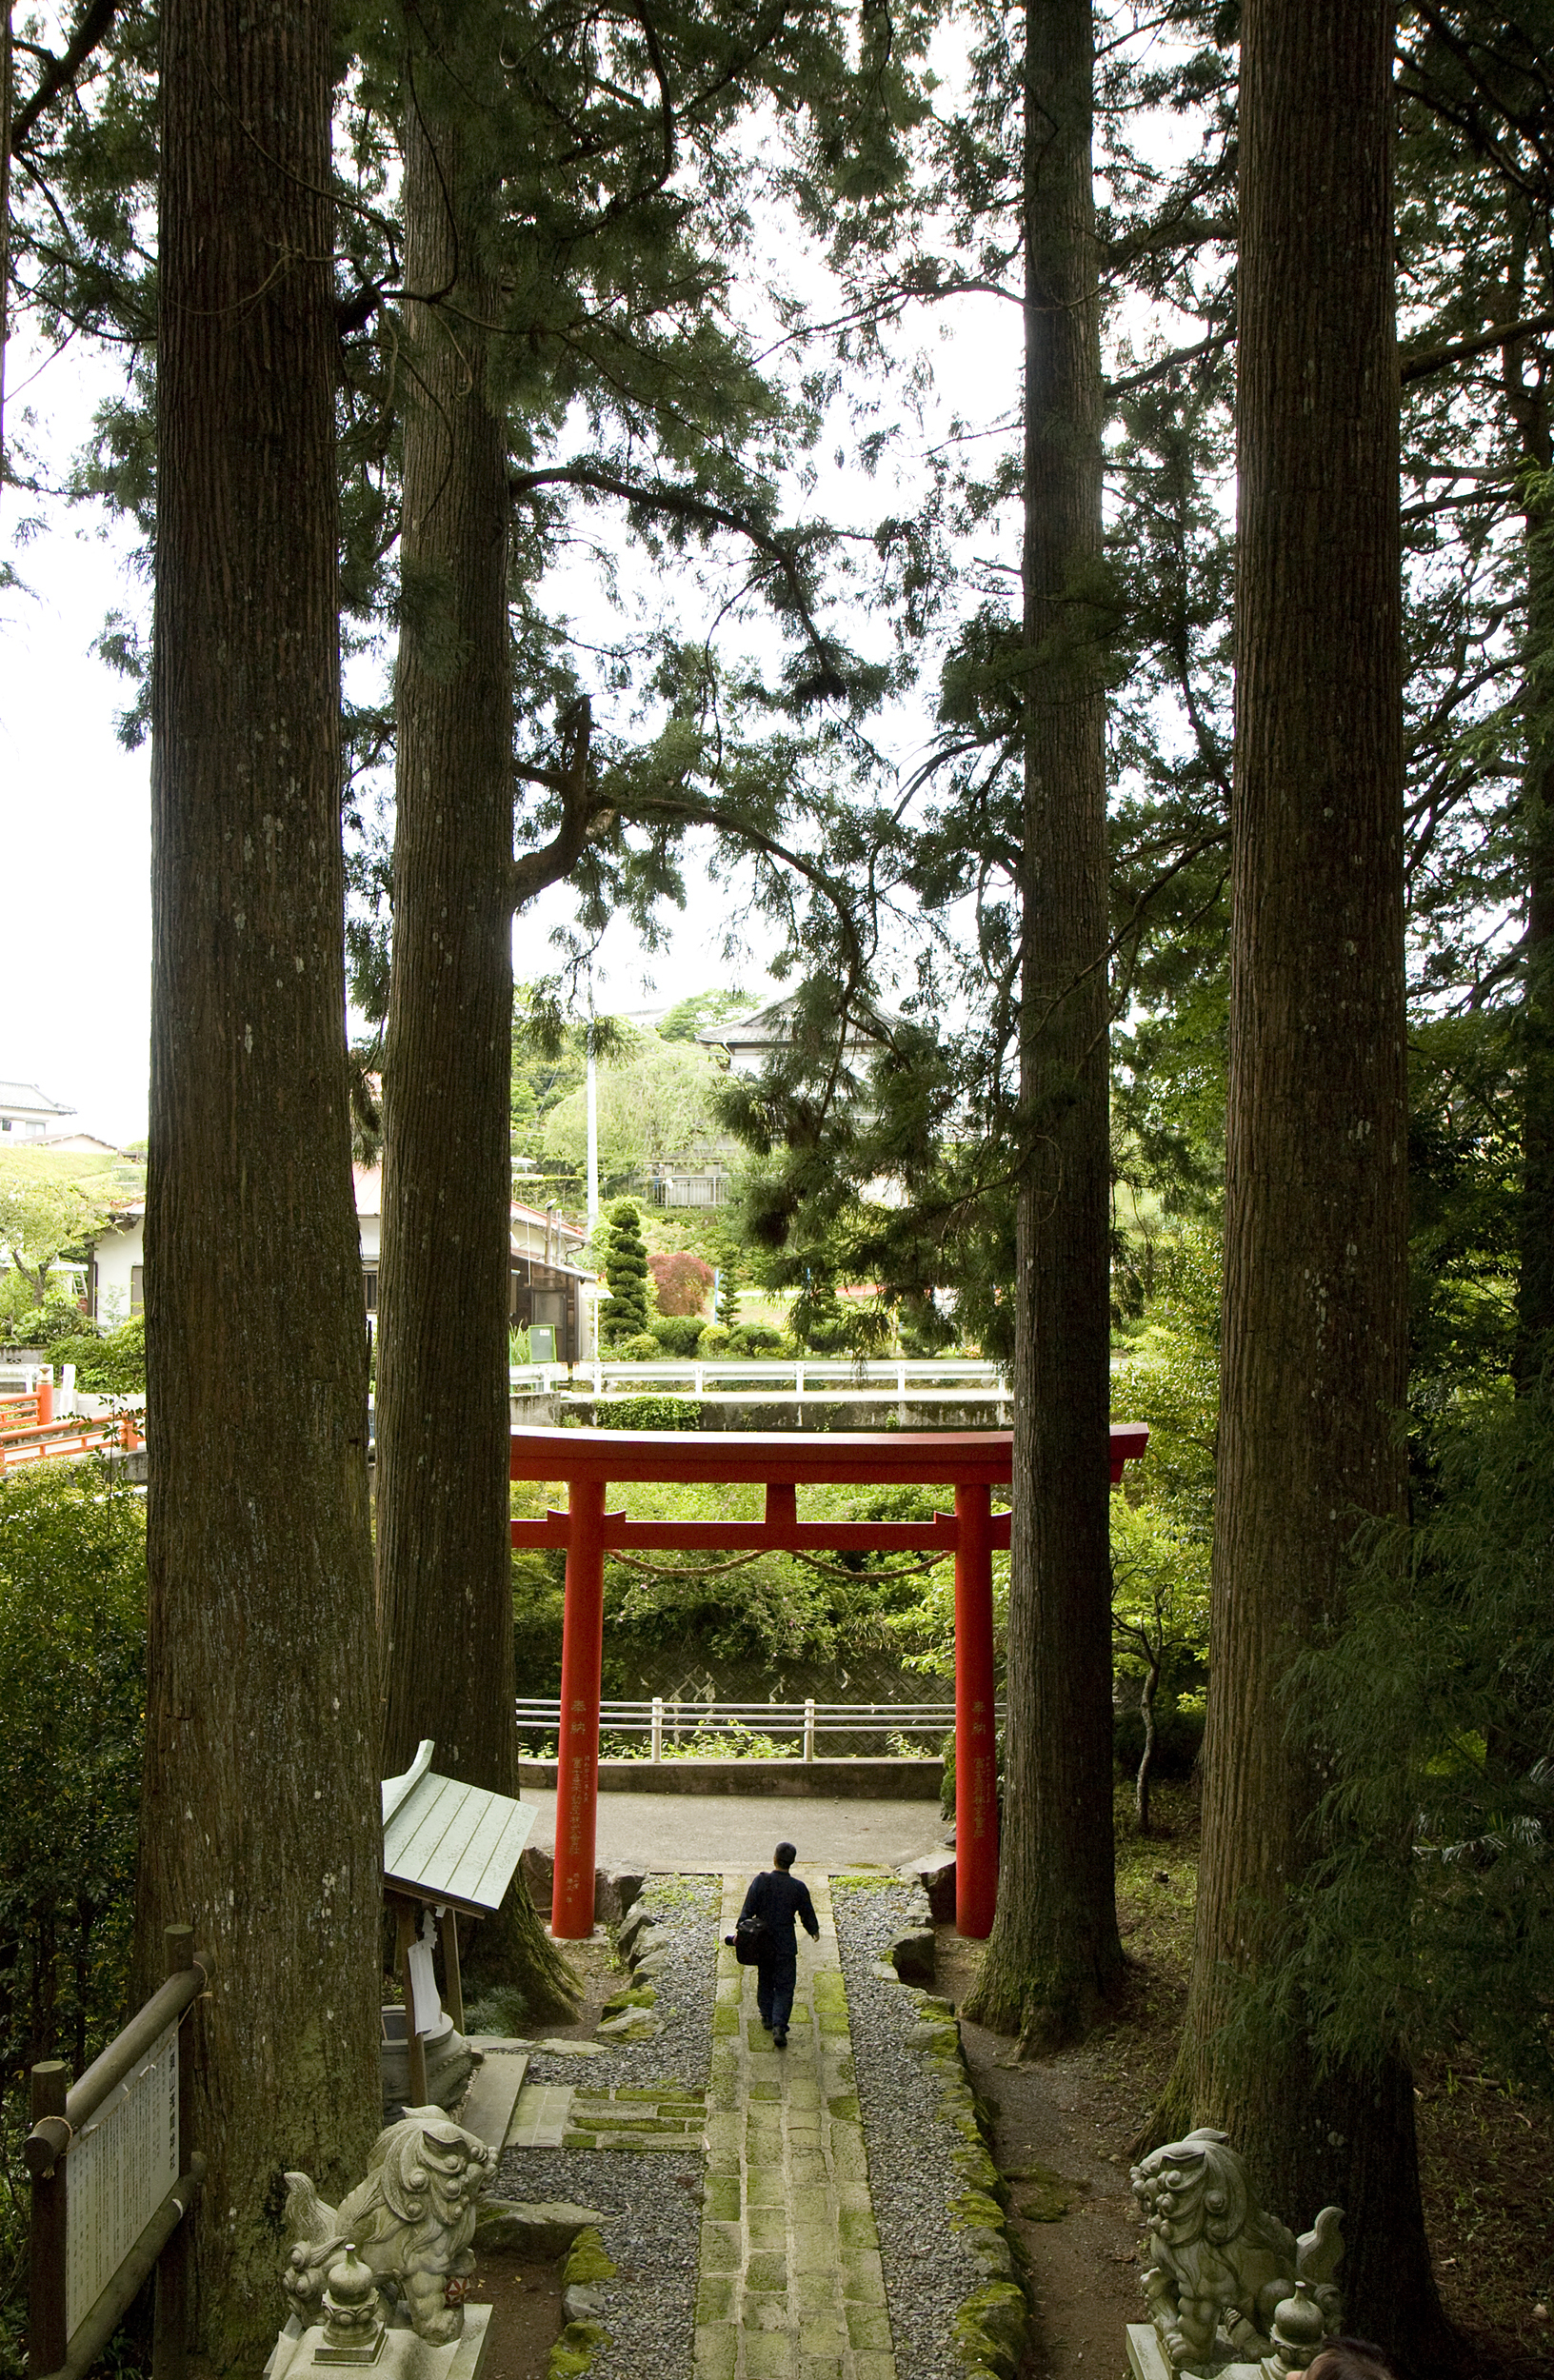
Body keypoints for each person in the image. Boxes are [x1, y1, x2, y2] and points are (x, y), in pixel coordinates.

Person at [739, 1841, 819, 2047]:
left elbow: (748, 1909)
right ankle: (779, 2026)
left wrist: (742, 1930)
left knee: (765, 1978)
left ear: (774, 1859)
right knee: (784, 1986)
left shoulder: (761, 1882)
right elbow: (806, 1913)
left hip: (763, 1941)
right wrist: (813, 1931)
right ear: (792, 1862)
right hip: (785, 1943)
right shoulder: (798, 1887)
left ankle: (766, 2015)